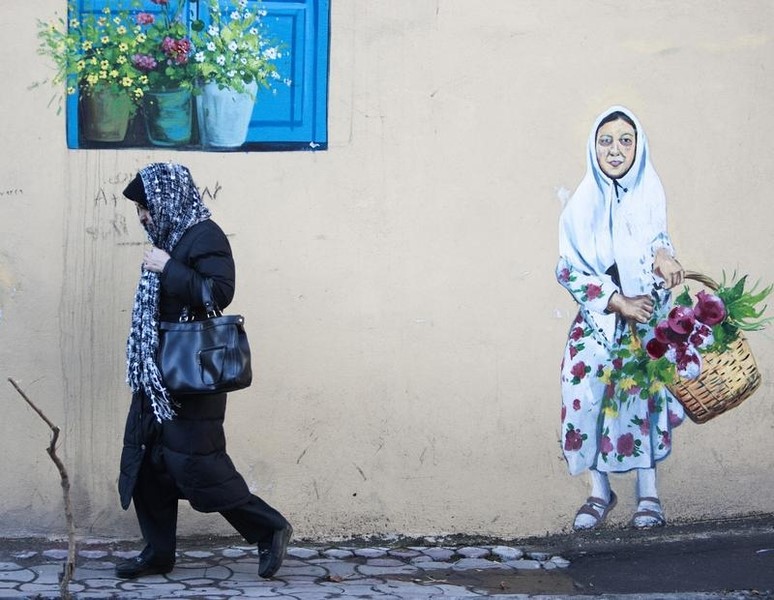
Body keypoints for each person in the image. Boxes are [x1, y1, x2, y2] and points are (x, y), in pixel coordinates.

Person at [116, 162, 292, 579]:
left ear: (168, 199)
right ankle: (158, 553)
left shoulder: (203, 235)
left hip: (193, 376)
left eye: (146, 206)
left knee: (198, 467)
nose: (142, 216)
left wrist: (168, 267)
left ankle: (269, 530)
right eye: (140, 208)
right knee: (147, 463)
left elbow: (218, 293)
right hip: (158, 373)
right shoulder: (172, 237)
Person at [556, 106, 686, 531]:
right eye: (606, 140)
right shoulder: (581, 202)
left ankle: (648, 497)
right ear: (594, 147)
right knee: (586, 398)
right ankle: (599, 493)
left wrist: (664, 257)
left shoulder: (650, 190)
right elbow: (568, 269)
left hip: (643, 320)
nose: (615, 150)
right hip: (598, 321)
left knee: (639, 402)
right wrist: (616, 301)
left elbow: (656, 239)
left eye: (625, 140)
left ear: (638, 146)